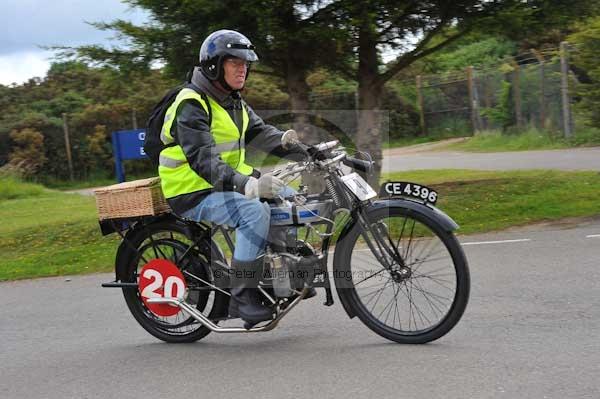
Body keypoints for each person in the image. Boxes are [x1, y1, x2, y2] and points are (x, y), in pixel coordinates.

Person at [157, 29, 309, 327]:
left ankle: (281, 277)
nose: (244, 69)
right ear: (214, 65)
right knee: (253, 210)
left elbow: (263, 134)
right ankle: (244, 295)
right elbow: (204, 161)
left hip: (224, 184)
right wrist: (249, 184)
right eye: (236, 62)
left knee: (288, 198)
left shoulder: (232, 100)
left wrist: (307, 151)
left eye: (246, 64)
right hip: (192, 189)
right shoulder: (191, 103)